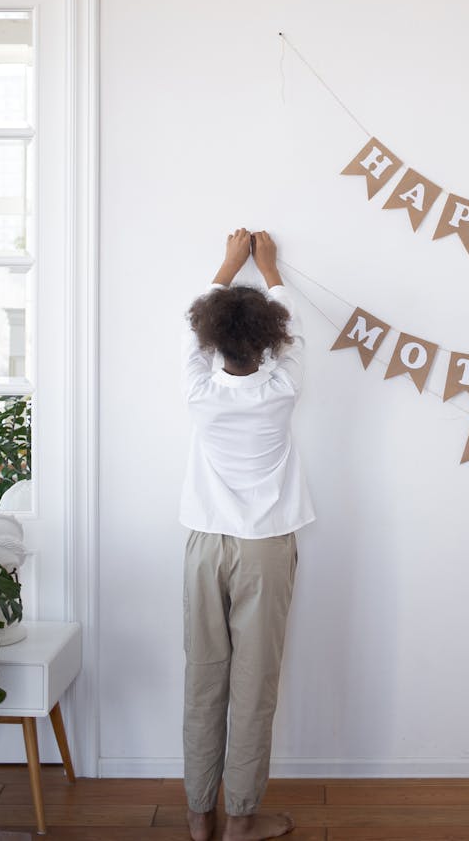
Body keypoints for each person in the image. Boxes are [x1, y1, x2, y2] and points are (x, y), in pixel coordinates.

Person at [180, 229, 314, 841]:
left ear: (212, 343)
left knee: (205, 677)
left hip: (204, 546)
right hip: (265, 548)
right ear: (269, 345)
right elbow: (300, 337)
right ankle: (239, 821)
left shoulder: (200, 393)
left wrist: (229, 264)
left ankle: (198, 816)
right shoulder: (283, 391)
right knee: (253, 683)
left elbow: (192, 339)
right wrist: (268, 268)